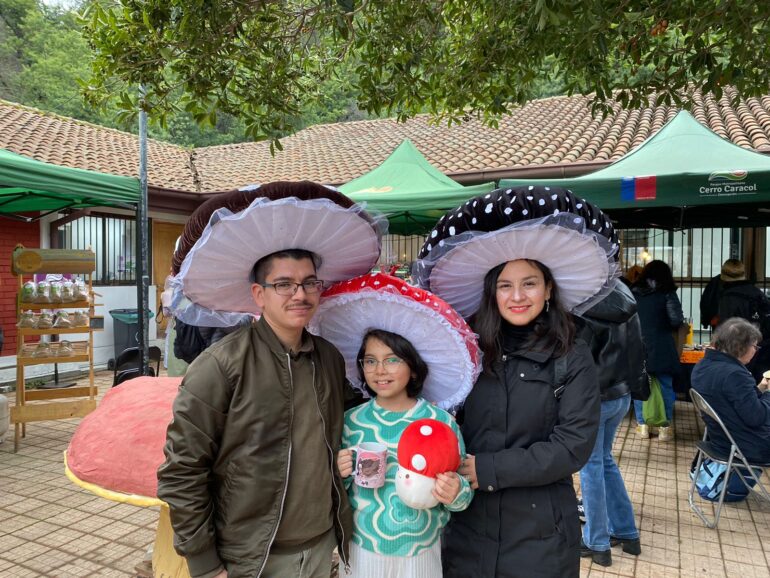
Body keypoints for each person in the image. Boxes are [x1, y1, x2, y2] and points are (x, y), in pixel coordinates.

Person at [158, 182, 385, 578]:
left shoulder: (329, 358)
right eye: (284, 284)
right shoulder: (220, 365)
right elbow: (183, 469)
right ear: (259, 294)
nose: (300, 294)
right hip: (252, 555)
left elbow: (348, 427)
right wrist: (204, 562)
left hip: (320, 546)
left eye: (309, 282)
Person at [414, 186, 616, 578]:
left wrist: (488, 469)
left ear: (549, 288)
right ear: (492, 293)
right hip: (467, 527)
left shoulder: (572, 356)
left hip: (541, 536)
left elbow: (573, 446)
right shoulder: (465, 352)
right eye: (505, 285)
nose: (517, 296)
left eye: (529, 283)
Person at [337, 329, 473, 577]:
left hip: (422, 552)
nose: (380, 370)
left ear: (413, 366)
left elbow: (464, 494)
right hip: (363, 548)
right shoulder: (351, 421)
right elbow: (335, 492)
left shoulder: (440, 423)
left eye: (392, 359)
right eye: (370, 360)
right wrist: (340, 472)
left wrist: (455, 492)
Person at [577, 280, 645, 566]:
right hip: (622, 394)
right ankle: (627, 533)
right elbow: (639, 347)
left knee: (591, 465)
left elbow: (577, 360)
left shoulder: (580, 300)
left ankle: (597, 541)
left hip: (593, 399)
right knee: (604, 461)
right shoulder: (623, 292)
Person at [691, 317, 770, 464]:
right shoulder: (735, 374)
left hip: (720, 439)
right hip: (747, 445)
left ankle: (737, 483)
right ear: (741, 347)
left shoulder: (703, 366)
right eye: (754, 346)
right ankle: (737, 485)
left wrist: (760, 389)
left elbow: (732, 401)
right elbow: (756, 417)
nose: (756, 350)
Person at [632, 260, 684, 441]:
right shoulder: (667, 294)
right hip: (662, 346)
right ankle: (664, 428)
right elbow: (676, 320)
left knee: (640, 385)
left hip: (638, 346)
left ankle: (642, 426)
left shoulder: (634, 293)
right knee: (665, 387)